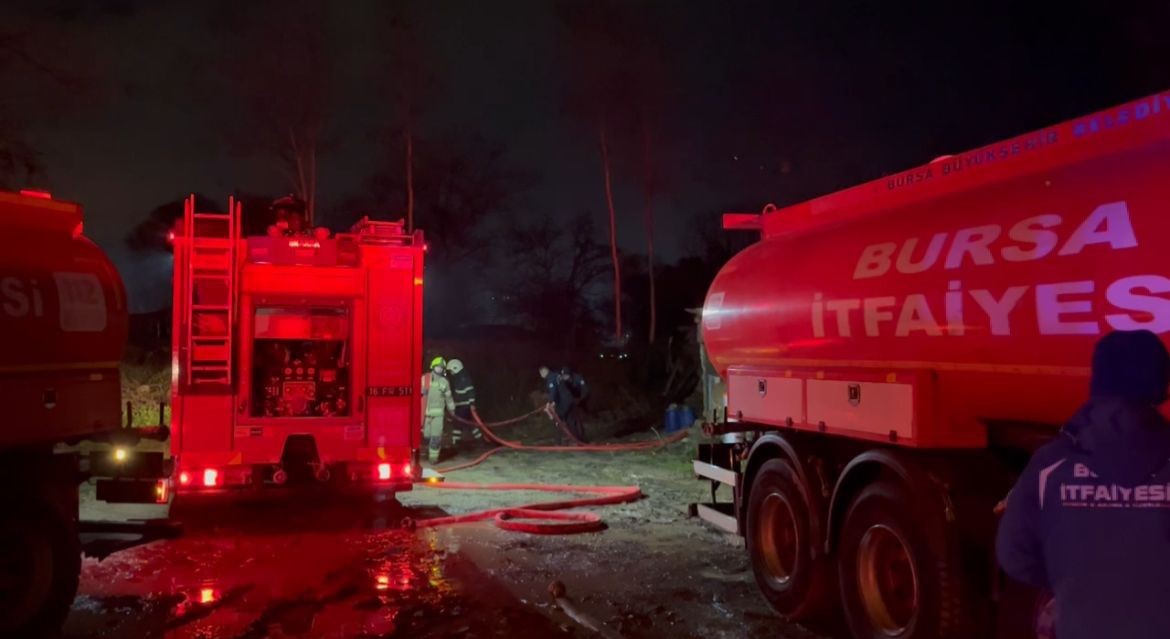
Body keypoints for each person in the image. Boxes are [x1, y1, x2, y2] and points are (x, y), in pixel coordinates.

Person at [996, 329, 1170, 639]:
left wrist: (1071, 582)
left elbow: (1013, 554)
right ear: (1160, 385)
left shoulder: (1050, 464)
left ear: (1098, 382)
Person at [421, 356, 455, 464]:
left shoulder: (444, 382)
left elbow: (449, 398)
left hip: (438, 415)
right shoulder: (424, 379)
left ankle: (433, 458)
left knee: (436, 437)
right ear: (433, 367)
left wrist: (452, 410)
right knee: (426, 436)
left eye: (441, 367)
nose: (439, 369)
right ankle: (427, 451)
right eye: (437, 367)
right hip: (425, 415)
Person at [446, 359, 484, 450]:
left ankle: (456, 442)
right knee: (469, 424)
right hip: (461, 405)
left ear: (456, 368)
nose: (450, 373)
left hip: (464, 406)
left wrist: (472, 403)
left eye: (451, 370)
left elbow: (470, 391)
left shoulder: (463, 378)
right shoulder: (459, 377)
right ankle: (480, 440)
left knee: (459, 424)